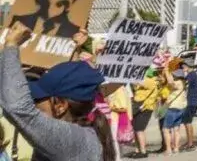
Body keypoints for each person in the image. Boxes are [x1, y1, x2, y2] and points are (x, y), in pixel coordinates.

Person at [0, 22, 116, 161]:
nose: (32, 102)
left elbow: (17, 107)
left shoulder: (71, 139)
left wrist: (11, 45)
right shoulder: (81, 136)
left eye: (37, 98)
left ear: (60, 105)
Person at [128, 68, 161, 158]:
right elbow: (136, 86)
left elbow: (137, 83)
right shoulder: (149, 80)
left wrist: (129, 75)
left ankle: (143, 151)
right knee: (136, 129)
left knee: (139, 129)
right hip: (140, 106)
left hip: (145, 107)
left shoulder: (151, 81)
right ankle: (138, 150)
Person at [160, 69, 187, 155]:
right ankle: (176, 148)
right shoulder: (183, 83)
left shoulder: (178, 82)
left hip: (172, 108)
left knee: (165, 129)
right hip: (181, 108)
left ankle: (169, 149)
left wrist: (167, 71)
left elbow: (170, 83)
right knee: (176, 129)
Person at [181, 60, 197, 151]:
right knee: (187, 122)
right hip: (193, 101)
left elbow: (185, 84)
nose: (182, 68)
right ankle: (189, 141)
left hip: (191, 102)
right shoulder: (193, 74)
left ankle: (191, 143)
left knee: (188, 122)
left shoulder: (191, 74)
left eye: (183, 66)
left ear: (188, 66)